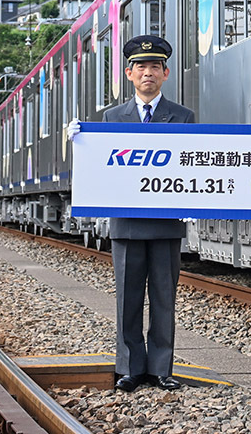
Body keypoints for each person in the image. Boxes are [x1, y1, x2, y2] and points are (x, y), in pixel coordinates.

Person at [69, 34, 195, 393]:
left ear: (166, 73)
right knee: (127, 299)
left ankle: (161, 368)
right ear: (129, 73)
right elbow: (99, 167)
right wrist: (78, 142)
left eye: (155, 67)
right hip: (126, 224)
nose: (148, 73)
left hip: (167, 223)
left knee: (163, 299)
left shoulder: (183, 117)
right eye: (141, 67)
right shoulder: (111, 118)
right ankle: (129, 367)